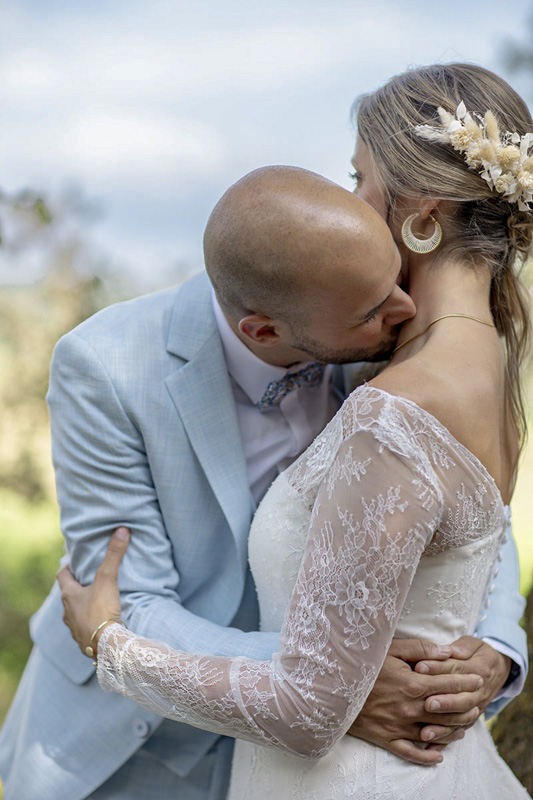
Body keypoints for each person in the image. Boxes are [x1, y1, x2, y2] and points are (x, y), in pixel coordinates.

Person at [0, 66, 527, 800]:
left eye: (356, 179)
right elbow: (131, 600)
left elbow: (472, 517)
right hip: (139, 757)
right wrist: (340, 683)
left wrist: (495, 651)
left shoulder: (383, 337)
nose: (350, 204)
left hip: (320, 751)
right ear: (262, 329)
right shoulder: (107, 366)